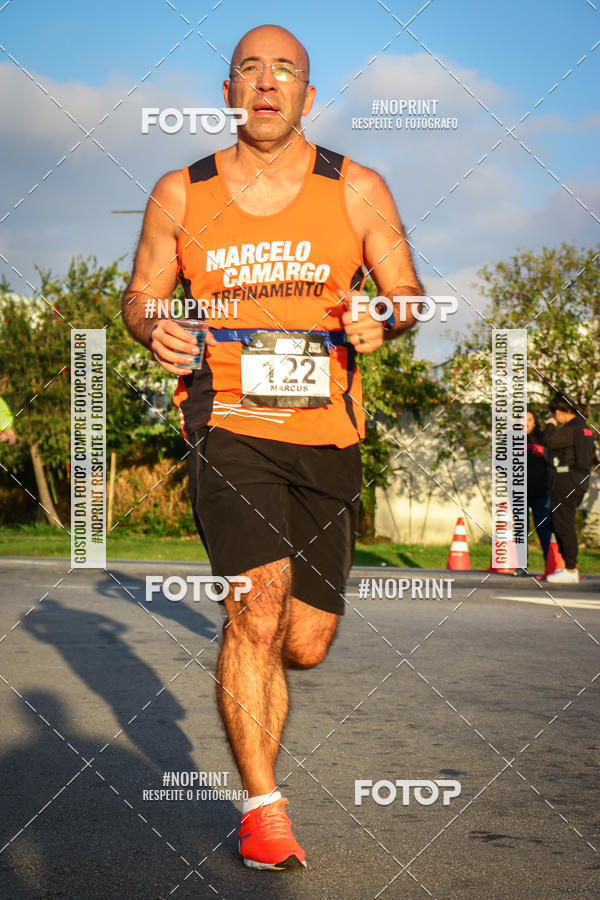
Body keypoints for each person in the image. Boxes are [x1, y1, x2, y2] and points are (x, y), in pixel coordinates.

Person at [122, 24, 422, 870]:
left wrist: (385, 317)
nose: (266, 83)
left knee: (303, 639)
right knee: (255, 606)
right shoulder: (181, 192)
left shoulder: (357, 188)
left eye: (284, 70)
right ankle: (264, 808)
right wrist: (155, 331)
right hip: (229, 423)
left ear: (308, 96)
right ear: (228, 90)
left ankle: (269, 693)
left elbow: (405, 290)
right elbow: (142, 294)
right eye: (249, 69)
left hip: (326, 433)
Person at [543, 392, 595, 584]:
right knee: (560, 521)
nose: (555, 417)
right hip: (579, 478)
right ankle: (570, 567)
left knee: (563, 522)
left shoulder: (572, 428)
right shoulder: (585, 427)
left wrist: (550, 425)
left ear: (559, 411)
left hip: (568, 478)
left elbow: (548, 441)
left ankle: (571, 569)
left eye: (554, 413)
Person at [526, 409, 552, 561]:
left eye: (529, 419)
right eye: (522, 419)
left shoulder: (542, 438)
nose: (526, 423)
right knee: (521, 529)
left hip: (541, 491)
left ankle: (550, 563)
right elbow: (500, 460)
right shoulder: (510, 438)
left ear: (535, 422)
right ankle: (521, 565)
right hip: (519, 492)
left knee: (543, 527)